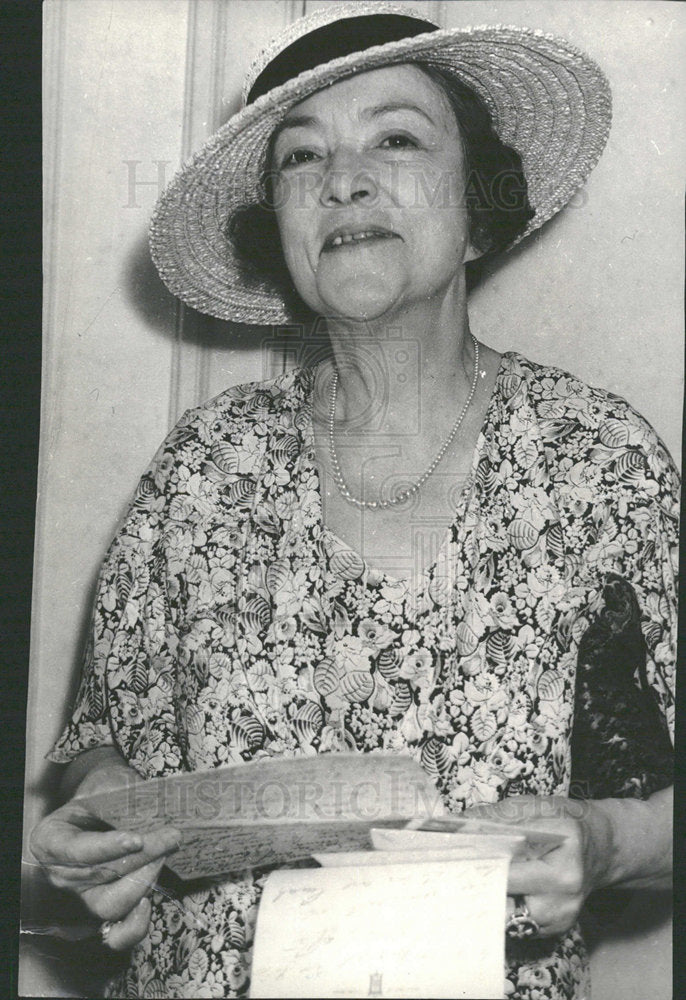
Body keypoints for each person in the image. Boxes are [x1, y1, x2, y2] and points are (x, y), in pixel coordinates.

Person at [30, 4, 676, 998]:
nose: (343, 179)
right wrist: (106, 819)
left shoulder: (595, 463)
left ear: (479, 205)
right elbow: (106, 747)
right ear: (278, 230)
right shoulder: (204, 467)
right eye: (299, 159)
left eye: (396, 138)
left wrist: (605, 838)